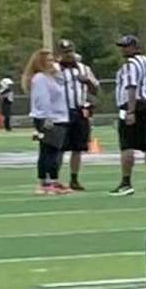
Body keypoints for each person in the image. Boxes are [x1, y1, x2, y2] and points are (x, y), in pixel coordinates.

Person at [111, 35, 146, 194]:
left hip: (135, 105)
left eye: (126, 47)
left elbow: (131, 87)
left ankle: (126, 182)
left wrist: (130, 110)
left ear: (135, 47)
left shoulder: (130, 65)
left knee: (127, 145)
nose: (123, 50)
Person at [24, 52, 69, 195]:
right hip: (49, 118)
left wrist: (57, 71)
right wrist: (47, 118)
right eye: (48, 60)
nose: (51, 63)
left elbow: (63, 83)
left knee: (53, 150)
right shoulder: (40, 78)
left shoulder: (52, 76)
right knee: (49, 151)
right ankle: (47, 181)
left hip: (59, 117)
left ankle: (51, 180)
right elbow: (43, 99)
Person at [57, 41, 96, 191]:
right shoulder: (54, 70)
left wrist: (87, 81)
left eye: (70, 51)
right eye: (65, 52)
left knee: (78, 147)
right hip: (60, 112)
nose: (68, 54)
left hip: (79, 111)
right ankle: (55, 178)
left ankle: (74, 178)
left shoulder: (84, 69)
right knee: (59, 147)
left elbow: (95, 88)